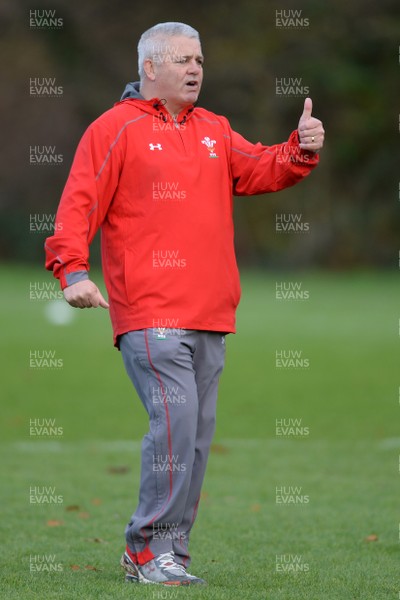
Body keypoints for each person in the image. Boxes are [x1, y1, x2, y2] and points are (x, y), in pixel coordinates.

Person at [45, 21, 324, 586]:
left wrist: (300, 149)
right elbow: (78, 203)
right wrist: (71, 269)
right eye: (182, 60)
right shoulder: (114, 129)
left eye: (199, 59)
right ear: (150, 68)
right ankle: (147, 550)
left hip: (211, 313)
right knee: (174, 426)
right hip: (150, 312)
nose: (196, 69)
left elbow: (261, 168)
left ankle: (167, 552)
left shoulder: (215, 129)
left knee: (193, 440)